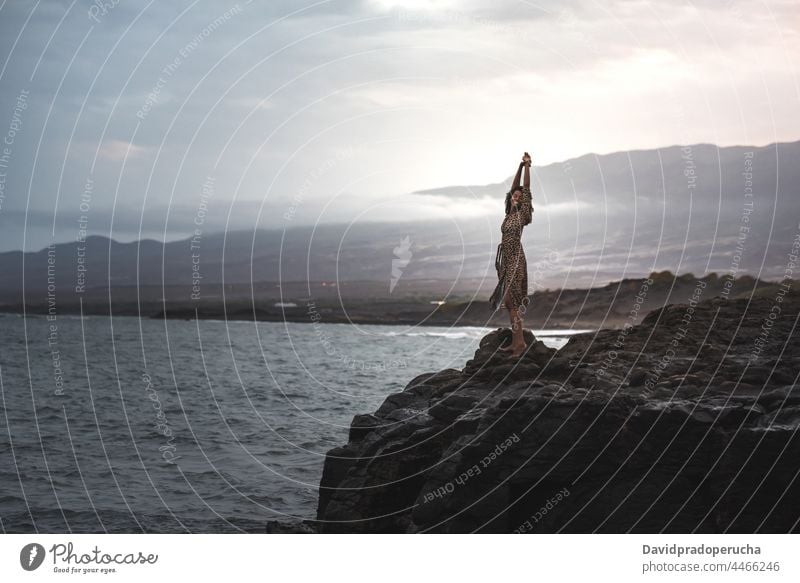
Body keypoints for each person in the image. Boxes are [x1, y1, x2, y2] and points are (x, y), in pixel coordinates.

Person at [489, 152, 533, 357]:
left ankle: (520, 344)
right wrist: (518, 166)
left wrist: (527, 167)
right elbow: (513, 188)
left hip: (516, 260)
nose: (516, 196)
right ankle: (517, 343)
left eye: (519, 196)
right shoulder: (509, 214)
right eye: (514, 195)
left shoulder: (523, 215)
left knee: (512, 301)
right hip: (506, 261)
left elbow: (525, 188)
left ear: (524, 201)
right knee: (508, 303)